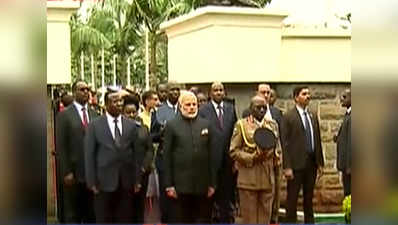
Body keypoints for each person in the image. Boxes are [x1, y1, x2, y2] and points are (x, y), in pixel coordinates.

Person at [84, 91, 141, 223]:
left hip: (126, 181)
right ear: (106, 104)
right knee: (104, 218)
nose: (119, 104)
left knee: (124, 218)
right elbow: (89, 154)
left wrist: (137, 180)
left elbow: (137, 154)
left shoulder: (131, 125)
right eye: (115, 101)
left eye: (121, 101)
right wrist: (91, 181)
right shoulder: (94, 125)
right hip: (103, 182)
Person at [163, 91, 217, 223]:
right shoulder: (171, 125)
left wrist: (212, 184)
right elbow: (167, 157)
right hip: (180, 187)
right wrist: (169, 185)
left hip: (202, 186)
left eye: (194, 104)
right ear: (180, 106)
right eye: (188, 105)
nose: (192, 107)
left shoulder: (206, 124)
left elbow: (212, 156)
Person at [229, 96, 280, 224]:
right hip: (248, 179)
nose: (262, 110)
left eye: (264, 107)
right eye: (258, 107)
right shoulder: (241, 125)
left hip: (267, 179)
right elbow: (233, 151)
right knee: (250, 220)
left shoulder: (272, 125)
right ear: (251, 109)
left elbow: (277, 150)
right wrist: (252, 157)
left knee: (265, 219)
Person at [55, 80, 98, 223]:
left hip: (91, 174)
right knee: (73, 214)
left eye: (88, 89)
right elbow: (61, 145)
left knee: (91, 213)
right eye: (82, 89)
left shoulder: (95, 114)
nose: (86, 92)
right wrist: (66, 171)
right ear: (74, 93)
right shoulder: (65, 115)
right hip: (73, 173)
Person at [282, 86, 324, 223]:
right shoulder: (288, 117)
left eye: (308, 94)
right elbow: (285, 143)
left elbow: (317, 139)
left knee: (309, 199)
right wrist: (287, 166)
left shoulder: (312, 115)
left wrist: (320, 163)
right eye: (304, 94)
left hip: (311, 164)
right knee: (292, 200)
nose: (308, 96)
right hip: (295, 166)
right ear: (296, 97)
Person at [198, 82, 237, 223]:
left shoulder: (231, 109)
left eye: (221, 90)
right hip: (210, 162)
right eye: (215, 90)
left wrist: (235, 160)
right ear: (210, 93)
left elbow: (235, 133)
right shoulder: (203, 110)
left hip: (228, 162)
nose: (219, 92)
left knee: (226, 198)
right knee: (209, 198)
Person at [152, 81, 181, 223]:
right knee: (166, 195)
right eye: (172, 90)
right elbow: (152, 136)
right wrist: (161, 133)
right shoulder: (159, 111)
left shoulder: (185, 108)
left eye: (177, 90)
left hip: (182, 160)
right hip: (164, 159)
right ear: (167, 92)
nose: (175, 93)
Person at [123, 94, 155, 223]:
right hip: (125, 175)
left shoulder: (143, 129)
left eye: (133, 112)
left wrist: (143, 167)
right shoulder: (120, 130)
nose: (131, 115)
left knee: (139, 208)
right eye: (128, 112)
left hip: (142, 174)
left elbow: (150, 150)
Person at [334, 88, 351, 196]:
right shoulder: (348, 115)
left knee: (349, 193)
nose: (341, 99)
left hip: (349, 166)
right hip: (345, 165)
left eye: (345, 97)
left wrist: (350, 165)